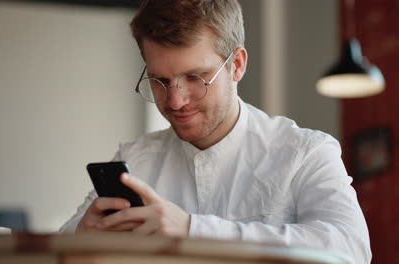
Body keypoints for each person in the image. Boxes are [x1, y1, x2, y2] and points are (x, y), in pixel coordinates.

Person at [60, 0, 371, 263]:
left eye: (195, 77)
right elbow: (57, 247)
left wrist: (191, 230)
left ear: (236, 65)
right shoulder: (134, 159)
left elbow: (351, 249)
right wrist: (80, 239)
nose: (176, 101)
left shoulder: (307, 153)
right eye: (160, 81)